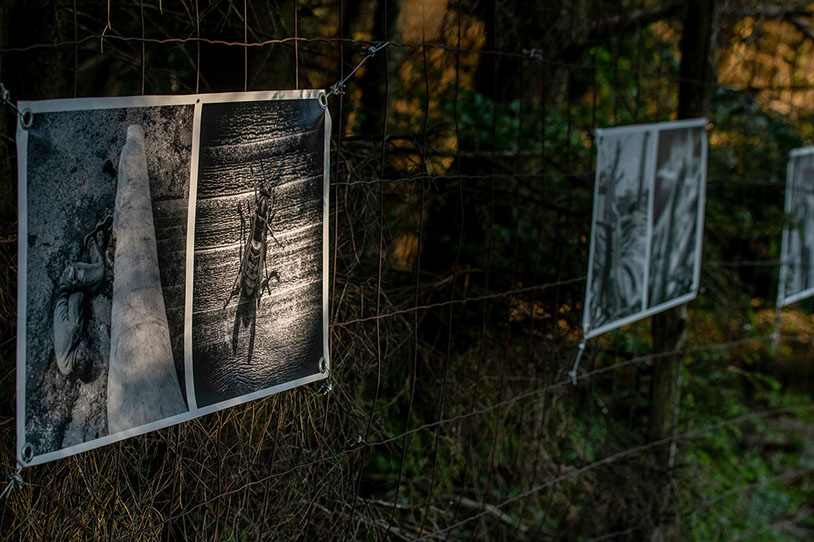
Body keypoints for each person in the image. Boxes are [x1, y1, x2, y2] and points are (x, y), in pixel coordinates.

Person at [53, 216, 112, 377]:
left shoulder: (72, 329)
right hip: (66, 297)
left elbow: (76, 298)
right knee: (95, 287)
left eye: (84, 354)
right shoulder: (66, 368)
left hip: (69, 281)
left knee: (100, 272)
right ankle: (96, 246)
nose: (85, 350)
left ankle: (90, 240)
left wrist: (84, 301)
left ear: (78, 359)